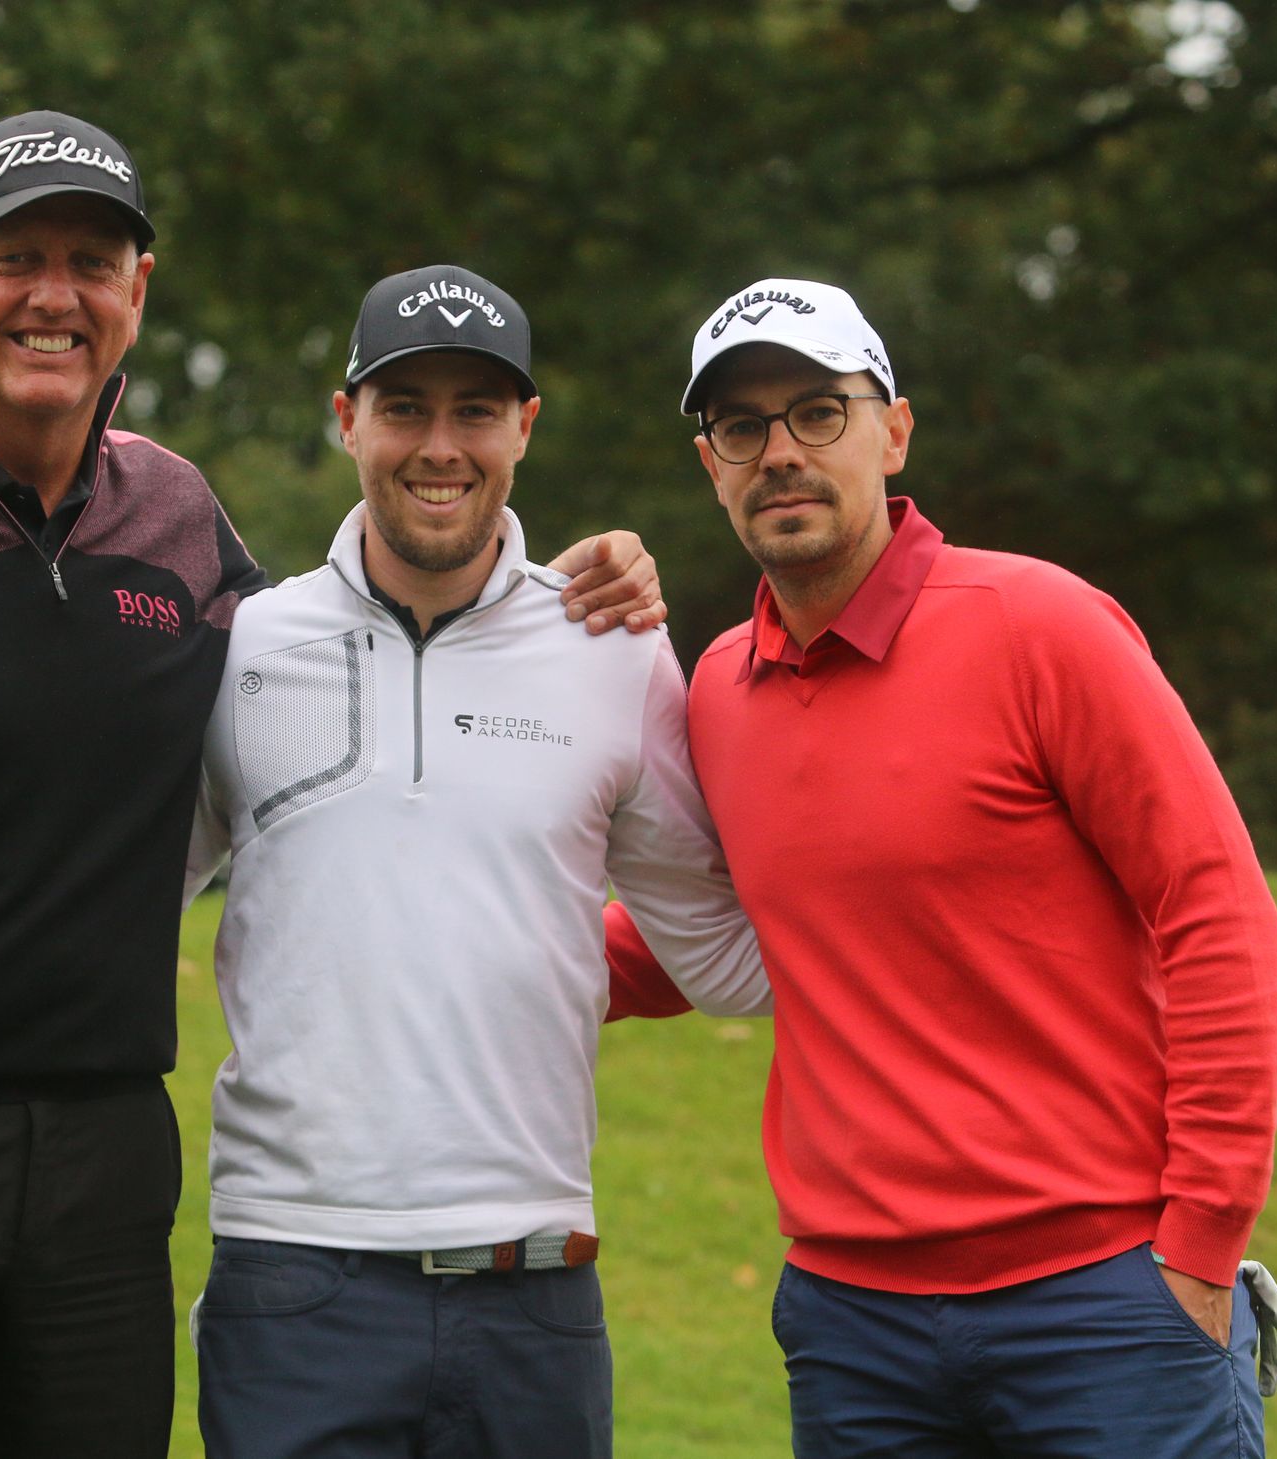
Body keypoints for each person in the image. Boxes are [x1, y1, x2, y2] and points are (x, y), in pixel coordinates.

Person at [0, 112, 663, 1458]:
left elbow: (338, 664)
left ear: (136, 294)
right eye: (16, 258)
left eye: (92, 263)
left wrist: (553, 587)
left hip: (103, 1167)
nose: (55, 295)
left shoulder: (173, 514)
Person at [606, 278, 1277, 1457]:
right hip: (852, 1321)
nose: (781, 452)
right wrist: (477, 958)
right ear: (710, 465)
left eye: (817, 411)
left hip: (1101, 1297)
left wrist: (1202, 1235)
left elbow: (1212, 907)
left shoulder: (1039, 625)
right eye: (741, 427)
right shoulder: (716, 685)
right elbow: (710, 930)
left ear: (893, 431)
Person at [181, 265, 774, 1459]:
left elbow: (723, 956)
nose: (439, 446)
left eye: (475, 410)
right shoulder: (244, 648)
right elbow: (112, 911)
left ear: (524, 427)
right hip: (292, 1279)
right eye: (403, 407)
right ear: (346, 419)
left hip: (533, 1287)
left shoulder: (611, 647)